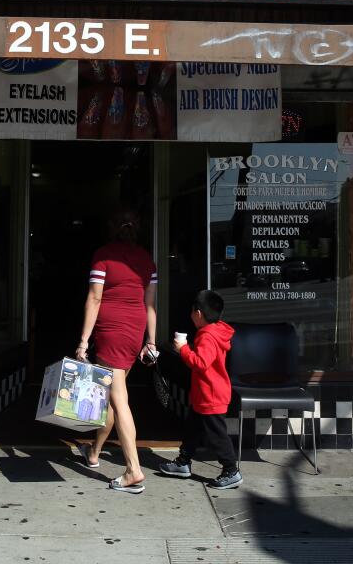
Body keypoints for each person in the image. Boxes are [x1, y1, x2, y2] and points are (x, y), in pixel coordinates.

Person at [74, 207, 158, 494]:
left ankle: (133, 470)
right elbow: (150, 306)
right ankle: (95, 453)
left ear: (113, 227)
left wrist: (83, 341)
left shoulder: (104, 255)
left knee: (119, 400)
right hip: (134, 332)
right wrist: (151, 341)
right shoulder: (147, 259)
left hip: (111, 333)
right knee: (113, 396)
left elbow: (95, 298)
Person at [159, 289, 242, 489]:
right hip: (206, 394)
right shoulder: (216, 332)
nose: (190, 316)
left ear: (198, 314)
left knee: (217, 435)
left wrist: (183, 349)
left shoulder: (207, 336)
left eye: (191, 312)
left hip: (210, 396)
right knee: (193, 429)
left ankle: (231, 471)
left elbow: (201, 362)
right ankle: (183, 462)